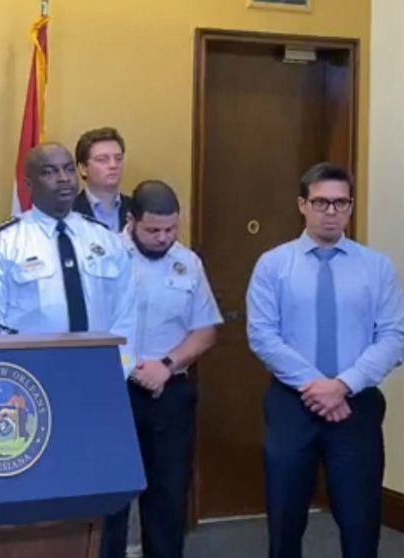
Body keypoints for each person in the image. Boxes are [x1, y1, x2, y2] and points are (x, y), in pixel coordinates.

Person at [246, 163, 404, 558]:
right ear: (303, 205)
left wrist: (343, 385)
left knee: (360, 520)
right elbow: (263, 335)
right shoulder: (273, 264)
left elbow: (393, 336)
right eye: (321, 202)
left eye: (340, 203)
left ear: (350, 207)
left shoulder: (377, 267)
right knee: (285, 519)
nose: (331, 211)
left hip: (356, 406)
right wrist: (318, 386)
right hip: (291, 404)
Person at [104, 180, 222, 558]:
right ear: (131, 220)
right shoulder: (104, 258)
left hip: (168, 392)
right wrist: (131, 367)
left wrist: (166, 365)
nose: (162, 238)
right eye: (153, 230)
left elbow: (205, 331)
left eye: (171, 229)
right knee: (112, 500)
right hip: (113, 392)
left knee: (169, 497)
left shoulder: (188, 263)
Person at [0, 142, 136, 374]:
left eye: (68, 169)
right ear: (28, 185)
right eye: (49, 172)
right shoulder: (2, 244)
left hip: (102, 376)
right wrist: (18, 374)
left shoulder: (106, 239)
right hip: (29, 381)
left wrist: (117, 371)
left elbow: (126, 314)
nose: (63, 178)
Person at [72, 127, 132, 232]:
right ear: (83, 169)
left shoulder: (137, 209)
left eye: (118, 158)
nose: (113, 165)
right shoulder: (69, 212)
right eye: (102, 159)